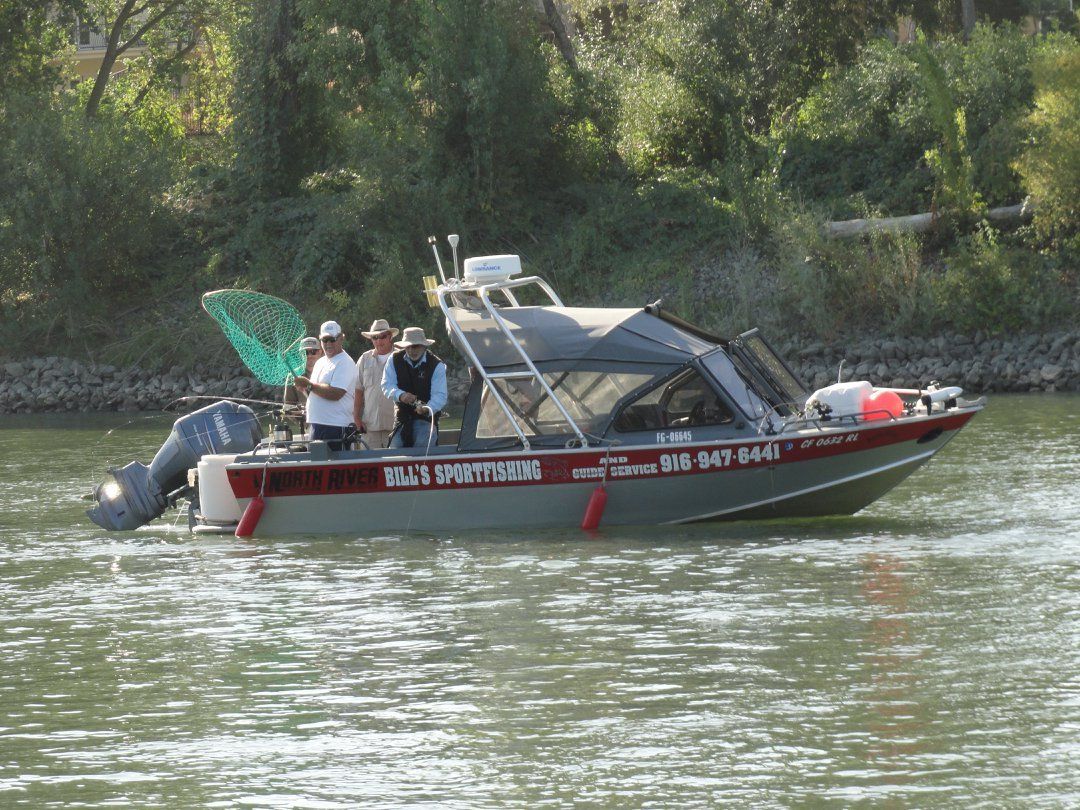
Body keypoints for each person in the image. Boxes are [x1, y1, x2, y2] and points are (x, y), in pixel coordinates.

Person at [294, 321, 358, 450]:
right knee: (317, 466)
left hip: (336, 427)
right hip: (316, 425)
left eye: (332, 339)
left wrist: (309, 385)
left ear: (341, 338)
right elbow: (316, 392)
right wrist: (305, 389)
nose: (328, 344)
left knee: (338, 469)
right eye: (324, 340)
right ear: (320, 339)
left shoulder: (345, 362)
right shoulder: (320, 362)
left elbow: (336, 394)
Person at [381, 326, 447, 449]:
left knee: (422, 457)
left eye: (415, 346)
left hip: (426, 421)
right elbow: (386, 385)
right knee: (393, 459)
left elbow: (440, 396)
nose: (411, 350)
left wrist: (427, 408)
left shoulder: (437, 365)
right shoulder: (394, 359)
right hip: (402, 419)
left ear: (424, 346)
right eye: (408, 346)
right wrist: (400, 395)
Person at [353, 318, 399, 449]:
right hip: (370, 427)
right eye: (375, 337)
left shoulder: (400, 357)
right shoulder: (364, 359)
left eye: (383, 336)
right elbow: (358, 390)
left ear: (390, 337)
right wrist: (356, 418)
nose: (379, 341)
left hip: (395, 426)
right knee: (370, 466)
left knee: (394, 467)